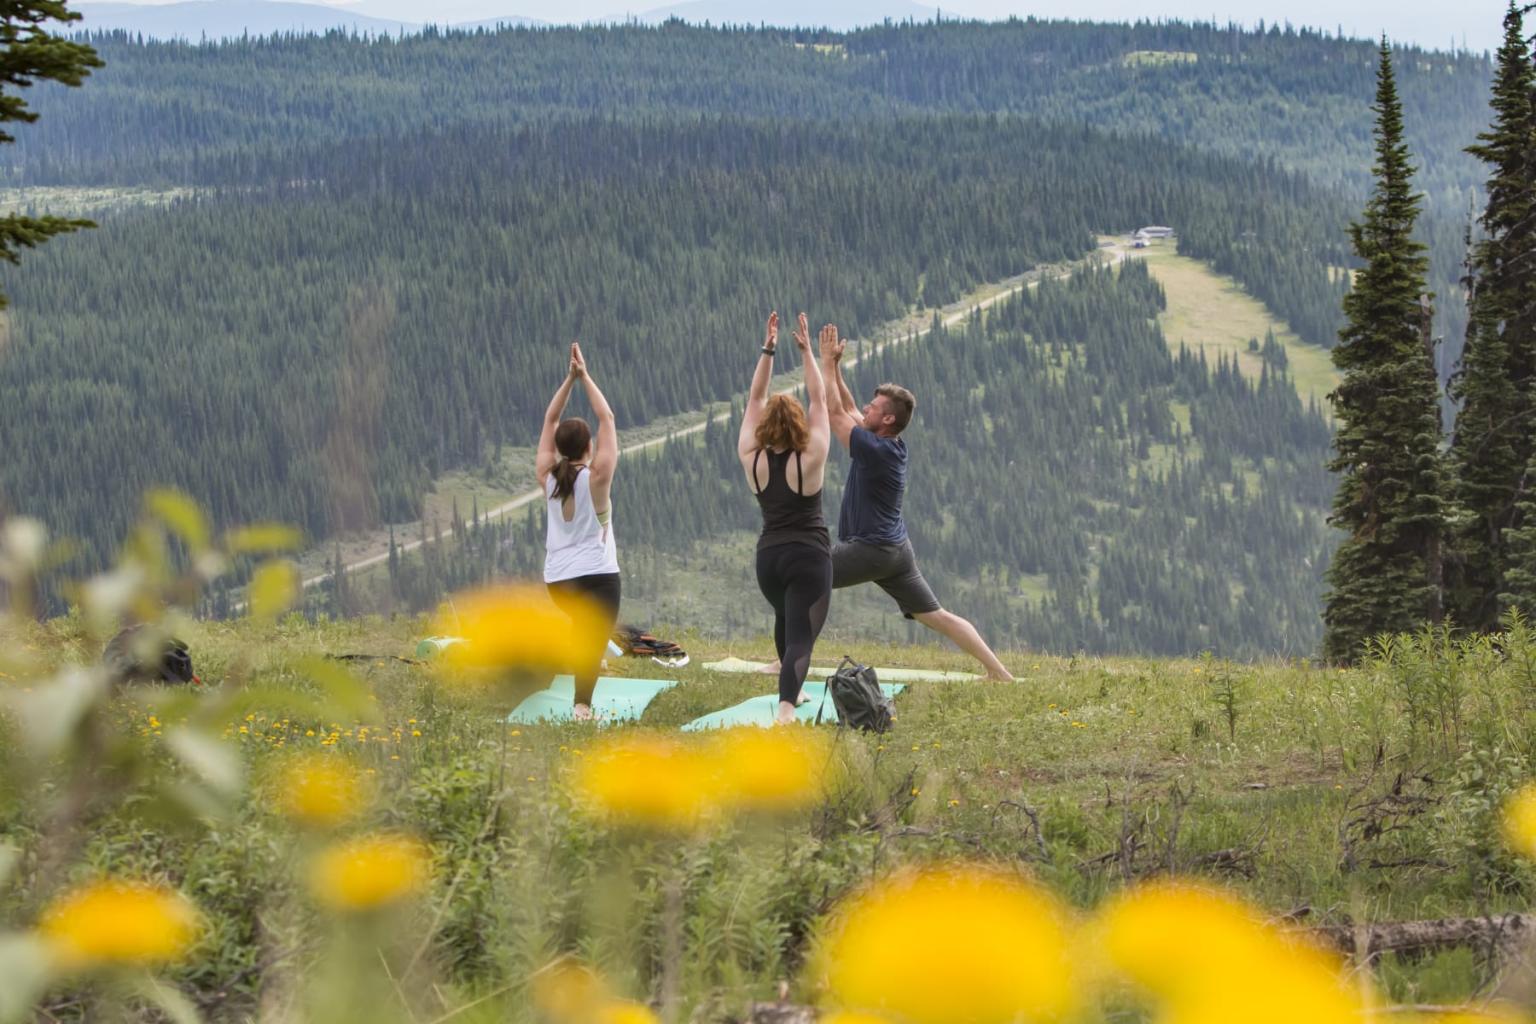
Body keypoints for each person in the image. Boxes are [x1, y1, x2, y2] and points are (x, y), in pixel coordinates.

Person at [796, 323, 1016, 681]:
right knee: (937, 615)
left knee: (808, 576)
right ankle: (999, 673)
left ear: (888, 419)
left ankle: (789, 663)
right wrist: (835, 367)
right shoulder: (885, 442)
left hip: (872, 549)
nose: (865, 408)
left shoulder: (876, 450)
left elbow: (835, 412)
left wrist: (822, 361)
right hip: (896, 551)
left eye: (875, 407)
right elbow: (849, 405)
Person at [739, 311, 833, 724]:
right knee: (801, 636)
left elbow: (755, 399)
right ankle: (785, 709)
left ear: (763, 427)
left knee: (784, 618)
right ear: (798, 424)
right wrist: (807, 352)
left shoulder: (750, 456)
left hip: (768, 560)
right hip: (808, 556)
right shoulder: (810, 458)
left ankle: (790, 694)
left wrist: (768, 350)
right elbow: (820, 399)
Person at [536, 341, 621, 721]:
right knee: (591, 638)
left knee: (583, 630)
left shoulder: (547, 479)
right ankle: (581, 708)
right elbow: (609, 419)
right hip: (598, 577)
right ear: (589, 447)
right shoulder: (598, 478)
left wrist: (568, 381)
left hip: (558, 583)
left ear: (558, 449)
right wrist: (584, 376)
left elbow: (549, 422)